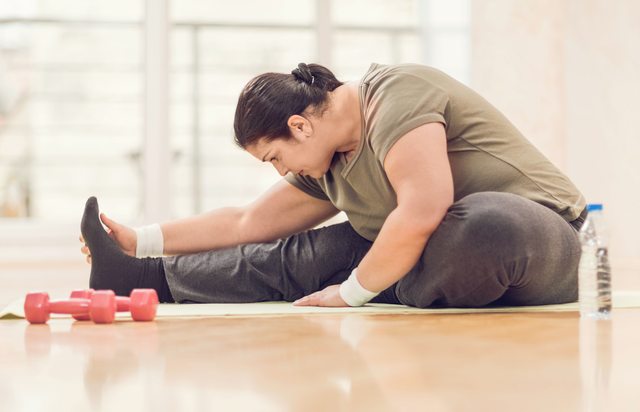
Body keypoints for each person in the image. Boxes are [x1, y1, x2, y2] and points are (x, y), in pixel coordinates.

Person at [79, 62, 587, 308]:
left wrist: (349, 295)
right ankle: (139, 276)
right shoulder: (327, 160)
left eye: (276, 157)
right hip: (431, 249)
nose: (281, 171)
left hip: (538, 239)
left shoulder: (395, 96)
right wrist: (137, 240)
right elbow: (248, 222)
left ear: (300, 125)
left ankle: (376, 283)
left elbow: (423, 208)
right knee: (300, 254)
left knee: (480, 230)